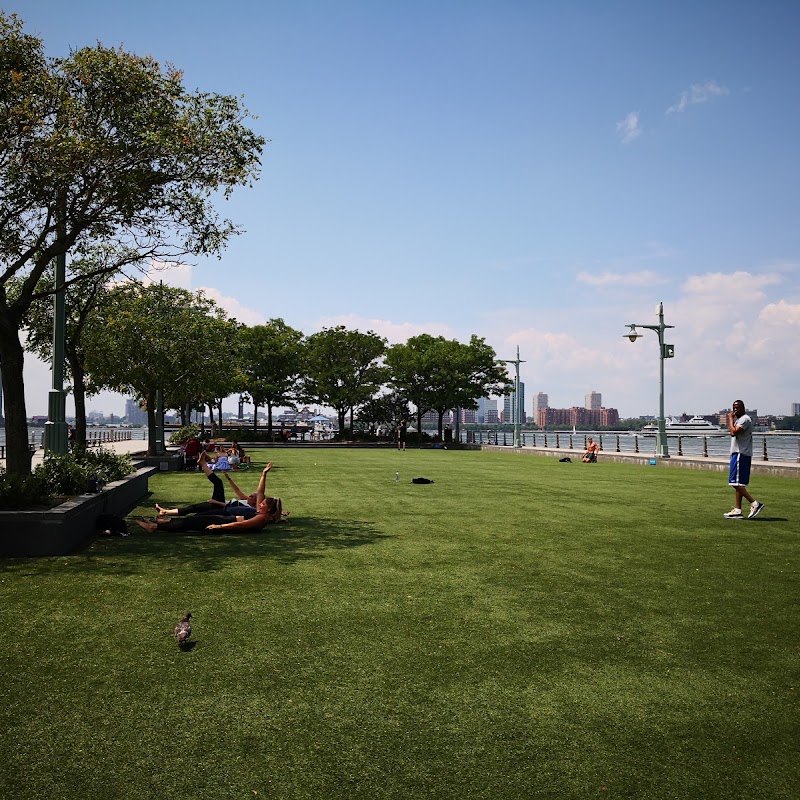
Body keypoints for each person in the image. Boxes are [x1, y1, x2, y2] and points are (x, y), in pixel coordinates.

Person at [135, 464, 285, 534]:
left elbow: (242, 525)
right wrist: (263, 474)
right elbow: (260, 491)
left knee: (190, 522)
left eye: (264, 503)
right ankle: (159, 524)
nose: (261, 502)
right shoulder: (261, 513)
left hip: (225, 521)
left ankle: (155, 527)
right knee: (191, 521)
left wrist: (219, 527)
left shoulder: (261, 519)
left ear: (269, 509)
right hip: (225, 517)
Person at [154, 451, 268, 520]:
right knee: (193, 508)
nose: (250, 496)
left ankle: (203, 463)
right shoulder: (245, 500)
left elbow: (230, 509)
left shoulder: (250, 509)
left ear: (256, 502)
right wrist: (228, 478)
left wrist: (216, 502)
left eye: (253, 496)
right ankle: (166, 512)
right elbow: (237, 490)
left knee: (198, 514)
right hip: (218, 504)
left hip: (221, 507)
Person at [724, 400, 765, 520]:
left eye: (737, 407)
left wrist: (730, 418)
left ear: (743, 408)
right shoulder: (740, 420)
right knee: (739, 483)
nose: (735, 410)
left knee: (734, 482)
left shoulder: (744, 419)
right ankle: (738, 510)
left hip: (740, 454)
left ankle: (755, 503)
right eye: (733, 407)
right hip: (739, 453)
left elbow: (733, 432)